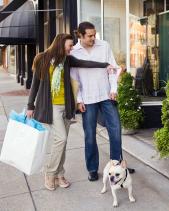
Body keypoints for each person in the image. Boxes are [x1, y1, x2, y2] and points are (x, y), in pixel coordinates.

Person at [26, 33, 113, 191]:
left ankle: (60, 174)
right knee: (61, 139)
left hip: (65, 107)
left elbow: (85, 63)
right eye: (70, 45)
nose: (72, 48)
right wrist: (30, 105)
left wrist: (105, 64)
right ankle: (50, 173)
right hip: (50, 106)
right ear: (60, 44)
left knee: (62, 142)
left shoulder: (67, 60)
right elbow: (35, 84)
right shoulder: (42, 59)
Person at [71, 22, 134, 182]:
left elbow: (112, 69)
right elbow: (74, 79)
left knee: (115, 130)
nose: (93, 38)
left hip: (106, 96)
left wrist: (114, 89)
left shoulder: (104, 45)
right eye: (90, 36)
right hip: (88, 98)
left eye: (94, 34)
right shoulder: (74, 52)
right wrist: (79, 100)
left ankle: (118, 166)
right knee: (90, 135)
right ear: (80, 35)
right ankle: (92, 168)